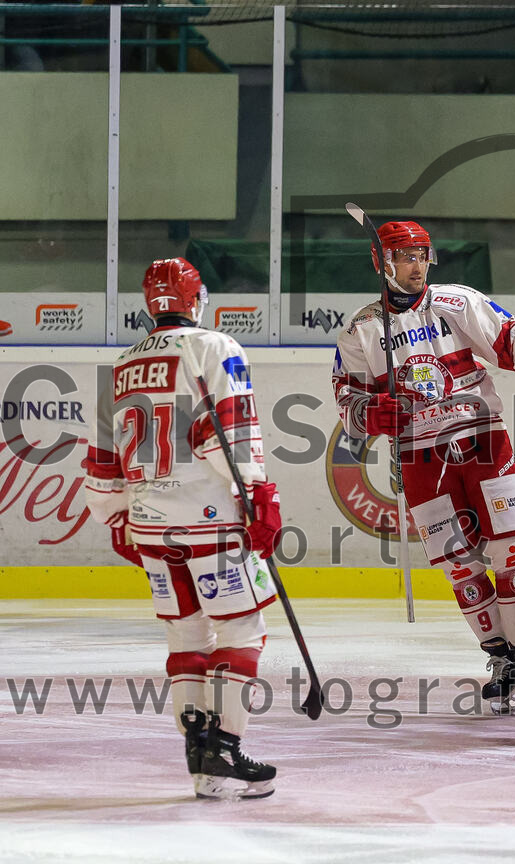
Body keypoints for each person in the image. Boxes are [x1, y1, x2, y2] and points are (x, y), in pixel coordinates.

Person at [333, 221, 515, 714]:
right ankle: (502, 660)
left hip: (483, 437)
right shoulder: (361, 328)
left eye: (422, 254)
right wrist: (371, 413)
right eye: (405, 255)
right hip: (421, 454)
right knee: (458, 563)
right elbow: (347, 397)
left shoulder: (457, 302)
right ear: (381, 262)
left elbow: (510, 343)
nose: (417, 264)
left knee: (510, 550)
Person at [83, 258, 283, 799]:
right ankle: (223, 749)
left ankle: (200, 761)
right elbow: (228, 431)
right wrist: (261, 494)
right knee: (242, 633)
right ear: (197, 300)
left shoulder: (122, 366)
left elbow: (104, 461)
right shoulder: (215, 347)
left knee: (186, 636)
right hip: (211, 522)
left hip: (152, 527)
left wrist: (117, 516)